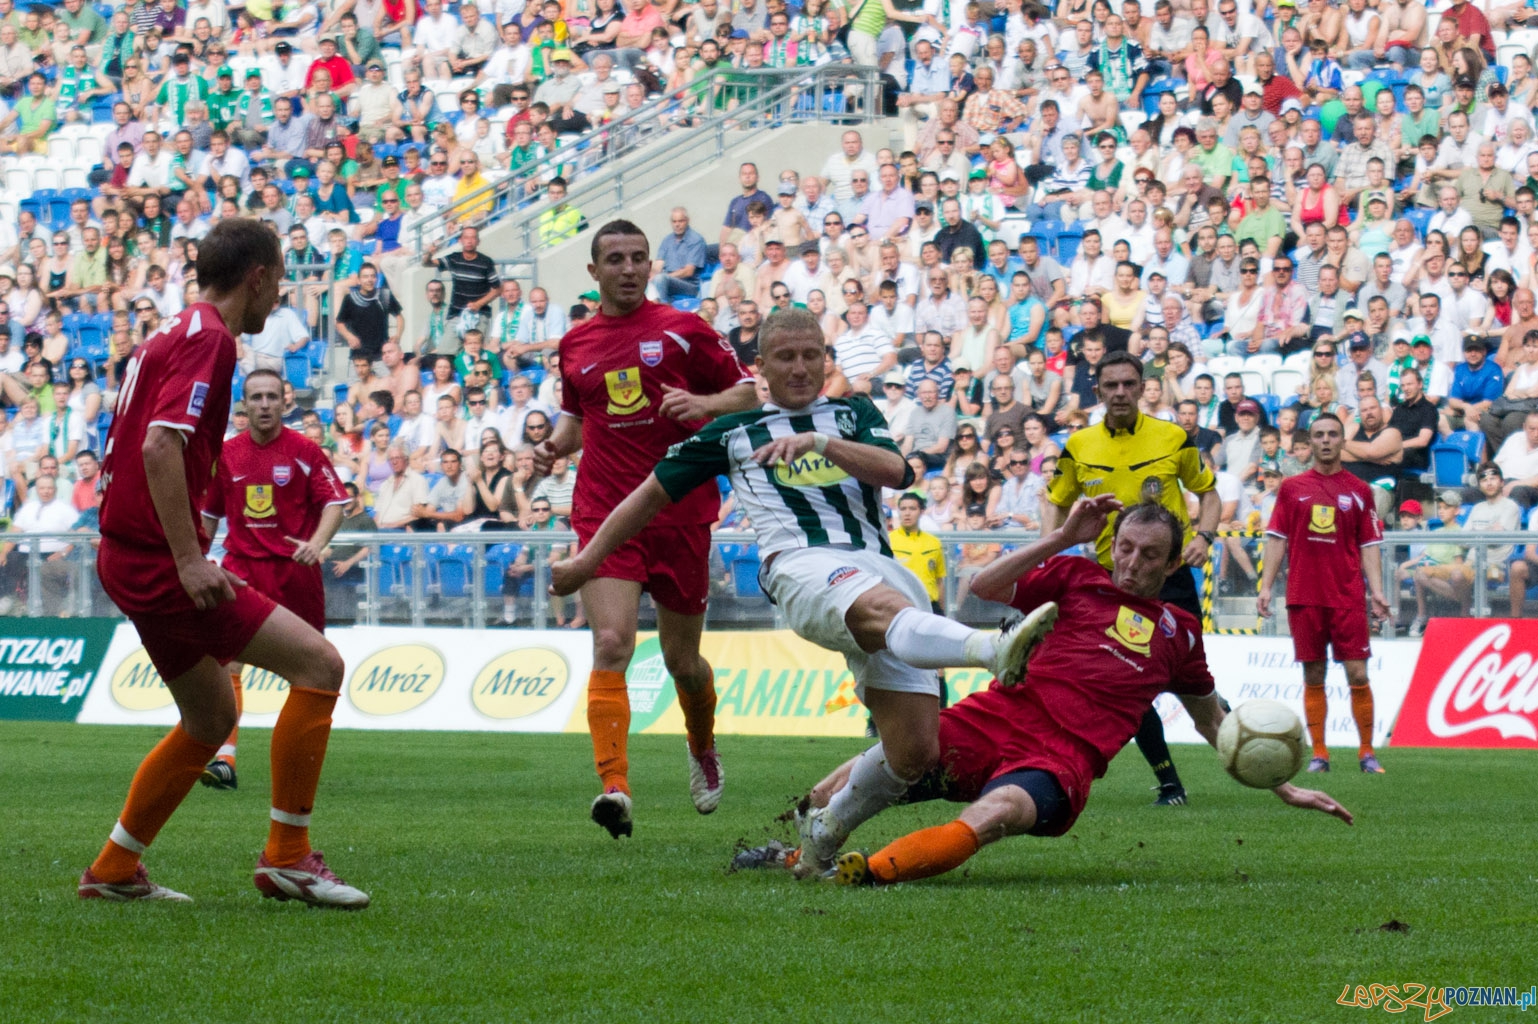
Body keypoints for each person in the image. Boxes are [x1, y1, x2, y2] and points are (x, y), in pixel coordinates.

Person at [550, 308, 1055, 878]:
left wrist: (823, 443)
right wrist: (587, 559)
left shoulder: (854, 411)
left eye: (810, 355)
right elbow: (646, 497)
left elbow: (895, 471)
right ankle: (993, 648)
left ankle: (819, 841)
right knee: (879, 610)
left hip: (879, 565)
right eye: (785, 358)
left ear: (825, 358)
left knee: (914, 752)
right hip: (800, 565)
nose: (799, 368)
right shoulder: (730, 433)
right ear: (759, 367)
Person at [746, 498, 1352, 886]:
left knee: (998, 813)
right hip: (992, 719)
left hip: (1060, 761)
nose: (1133, 564)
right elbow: (983, 585)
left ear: (1171, 568)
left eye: (1150, 557)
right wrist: (1062, 536)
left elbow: (1213, 724)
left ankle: (869, 875)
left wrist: (1285, 785)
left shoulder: (1179, 634)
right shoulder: (1077, 577)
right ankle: (793, 854)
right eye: (1126, 549)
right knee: (857, 774)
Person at [81, 218, 367, 908]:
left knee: (211, 720)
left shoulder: (173, 332)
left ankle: (115, 868)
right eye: (280, 280)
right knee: (321, 666)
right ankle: (288, 858)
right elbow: (157, 448)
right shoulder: (212, 339)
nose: (280, 296)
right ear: (259, 278)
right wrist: (189, 558)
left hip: (125, 554)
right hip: (155, 559)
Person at [534, 220, 757, 838]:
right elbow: (579, 420)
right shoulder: (576, 344)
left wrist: (705, 406)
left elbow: (749, 393)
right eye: (615, 259)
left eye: (638, 258)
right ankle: (615, 787)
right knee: (611, 642)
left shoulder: (685, 329)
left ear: (650, 264)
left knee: (683, 661)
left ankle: (701, 744)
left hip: (680, 512)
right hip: (604, 513)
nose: (628, 269)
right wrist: (553, 449)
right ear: (593, 271)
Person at [1042, 351, 1221, 806]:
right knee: (1128, 681)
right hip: (1112, 582)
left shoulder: (1173, 436)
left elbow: (1209, 493)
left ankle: (1236, 736)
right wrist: (1049, 550)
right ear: (1098, 392)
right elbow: (1054, 499)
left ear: (1143, 388)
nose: (1120, 392)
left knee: (1188, 679)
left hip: (1171, 577)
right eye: (1110, 386)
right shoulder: (1079, 446)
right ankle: (1169, 782)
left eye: (1128, 384)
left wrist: (1204, 535)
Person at [198, 368, 349, 791]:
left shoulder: (305, 451)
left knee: (313, 671)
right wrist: (194, 559)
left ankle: (300, 763)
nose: (264, 404)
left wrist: (316, 543)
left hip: (295, 573)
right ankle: (224, 759)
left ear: (284, 402)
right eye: (256, 397)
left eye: (271, 397)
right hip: (242, 568)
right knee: (225, 660)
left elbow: (336, 503)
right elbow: (209, 516)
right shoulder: (227, 455)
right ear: (244, 405)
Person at [1259, 412, 1391, 775]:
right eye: (1319, 435)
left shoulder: (1361, 490)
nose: (1327, 440)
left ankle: (1366, 752)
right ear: (1311, 442)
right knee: (1313, 674)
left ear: (1343, 440)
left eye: (1333, 434)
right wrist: (1267, 586)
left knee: (1357, 673)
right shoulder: (1291, 487)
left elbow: (1369, 544)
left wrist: (1377, 591)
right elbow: (1277, 538)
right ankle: (1320, 753)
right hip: (1304, 594)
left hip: (1347, 595)